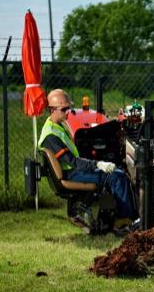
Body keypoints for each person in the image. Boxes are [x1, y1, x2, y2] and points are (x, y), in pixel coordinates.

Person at [38, 89, 138, 232]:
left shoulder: (56, 126)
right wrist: (97, 164)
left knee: (115, 172)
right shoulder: (51, 136)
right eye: (64, 109)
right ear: (52, 109)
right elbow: (73, 162)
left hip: (72, 170)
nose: (68, 112)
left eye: (69, 108)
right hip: (72, 173)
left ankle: (114, 214)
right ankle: (125, 220)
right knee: (117, 176)